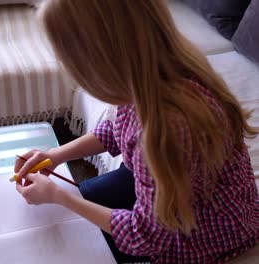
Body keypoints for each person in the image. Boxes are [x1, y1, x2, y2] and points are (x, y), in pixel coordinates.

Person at [14, 0, 259, 263]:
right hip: (166, 186)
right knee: (73, 210)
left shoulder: (163, 130)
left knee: (72, 238)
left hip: (206, 239)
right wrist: (55, 155)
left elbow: (144, 236)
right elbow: (117, 130)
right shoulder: (153, 74)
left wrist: (58, 196)